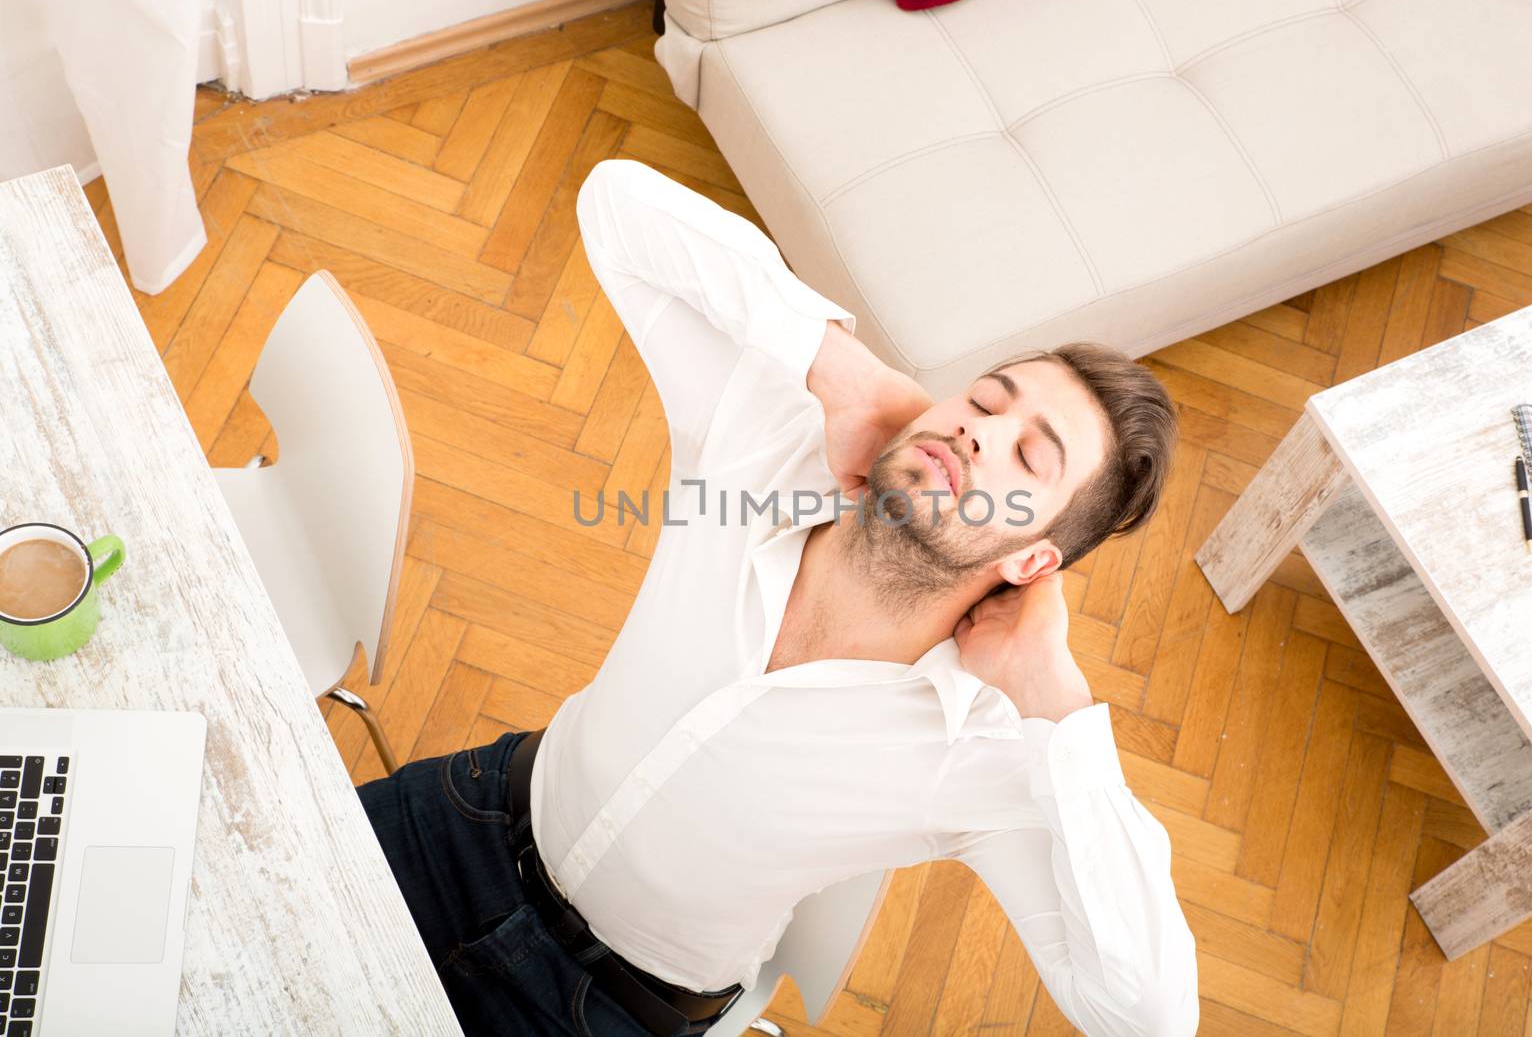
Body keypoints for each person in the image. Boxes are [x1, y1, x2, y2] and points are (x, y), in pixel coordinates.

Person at [357, 159, 1199, 1037]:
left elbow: (1146, 1014)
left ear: (1034, 562)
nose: (979, 430)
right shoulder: (764, 440)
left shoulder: (985, 748)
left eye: (1030, 458)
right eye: (987, 399)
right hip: (464, 819)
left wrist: (1058, 703)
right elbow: (616, 203)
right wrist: (843, 369)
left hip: (598, 1013)